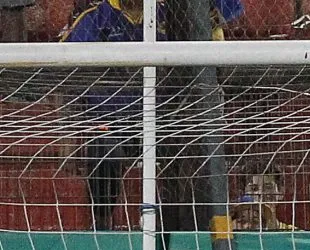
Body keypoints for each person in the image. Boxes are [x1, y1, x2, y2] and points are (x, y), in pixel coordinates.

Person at [59, 0, 243, 229]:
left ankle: (185, 230)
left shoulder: (174, 14)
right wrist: (68, 136)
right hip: (115, 124)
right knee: (103, 150)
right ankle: (102, 222)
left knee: (191, 152)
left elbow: (220, 31)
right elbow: (64, 73)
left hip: (167, 121)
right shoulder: (95, 18)